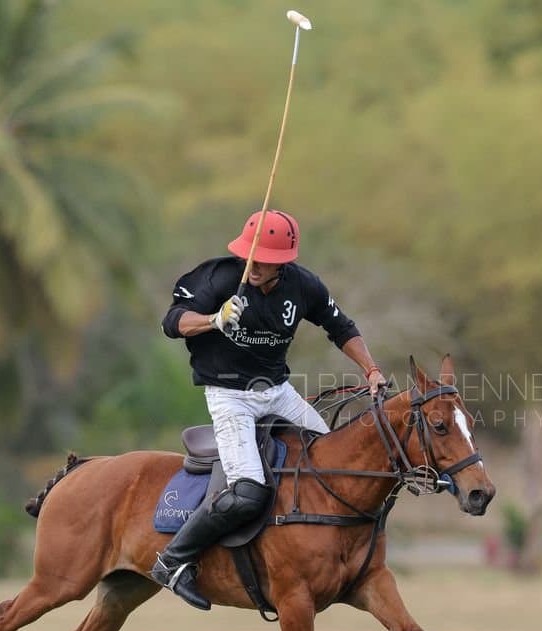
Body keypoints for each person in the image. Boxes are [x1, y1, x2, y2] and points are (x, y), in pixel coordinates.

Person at [152, 209, 388, 610]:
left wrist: (371, 370)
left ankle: (326, 552)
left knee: (329, 461)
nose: (254, 265)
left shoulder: (303, 286)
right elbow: (172, 322)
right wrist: (214, 318)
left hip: (277, 392)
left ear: (284, 262)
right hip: (229, 395)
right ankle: (172, 561)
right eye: (250, 255)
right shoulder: (221, 278)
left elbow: (342, 328)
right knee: (247, 492)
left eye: (265, 260)